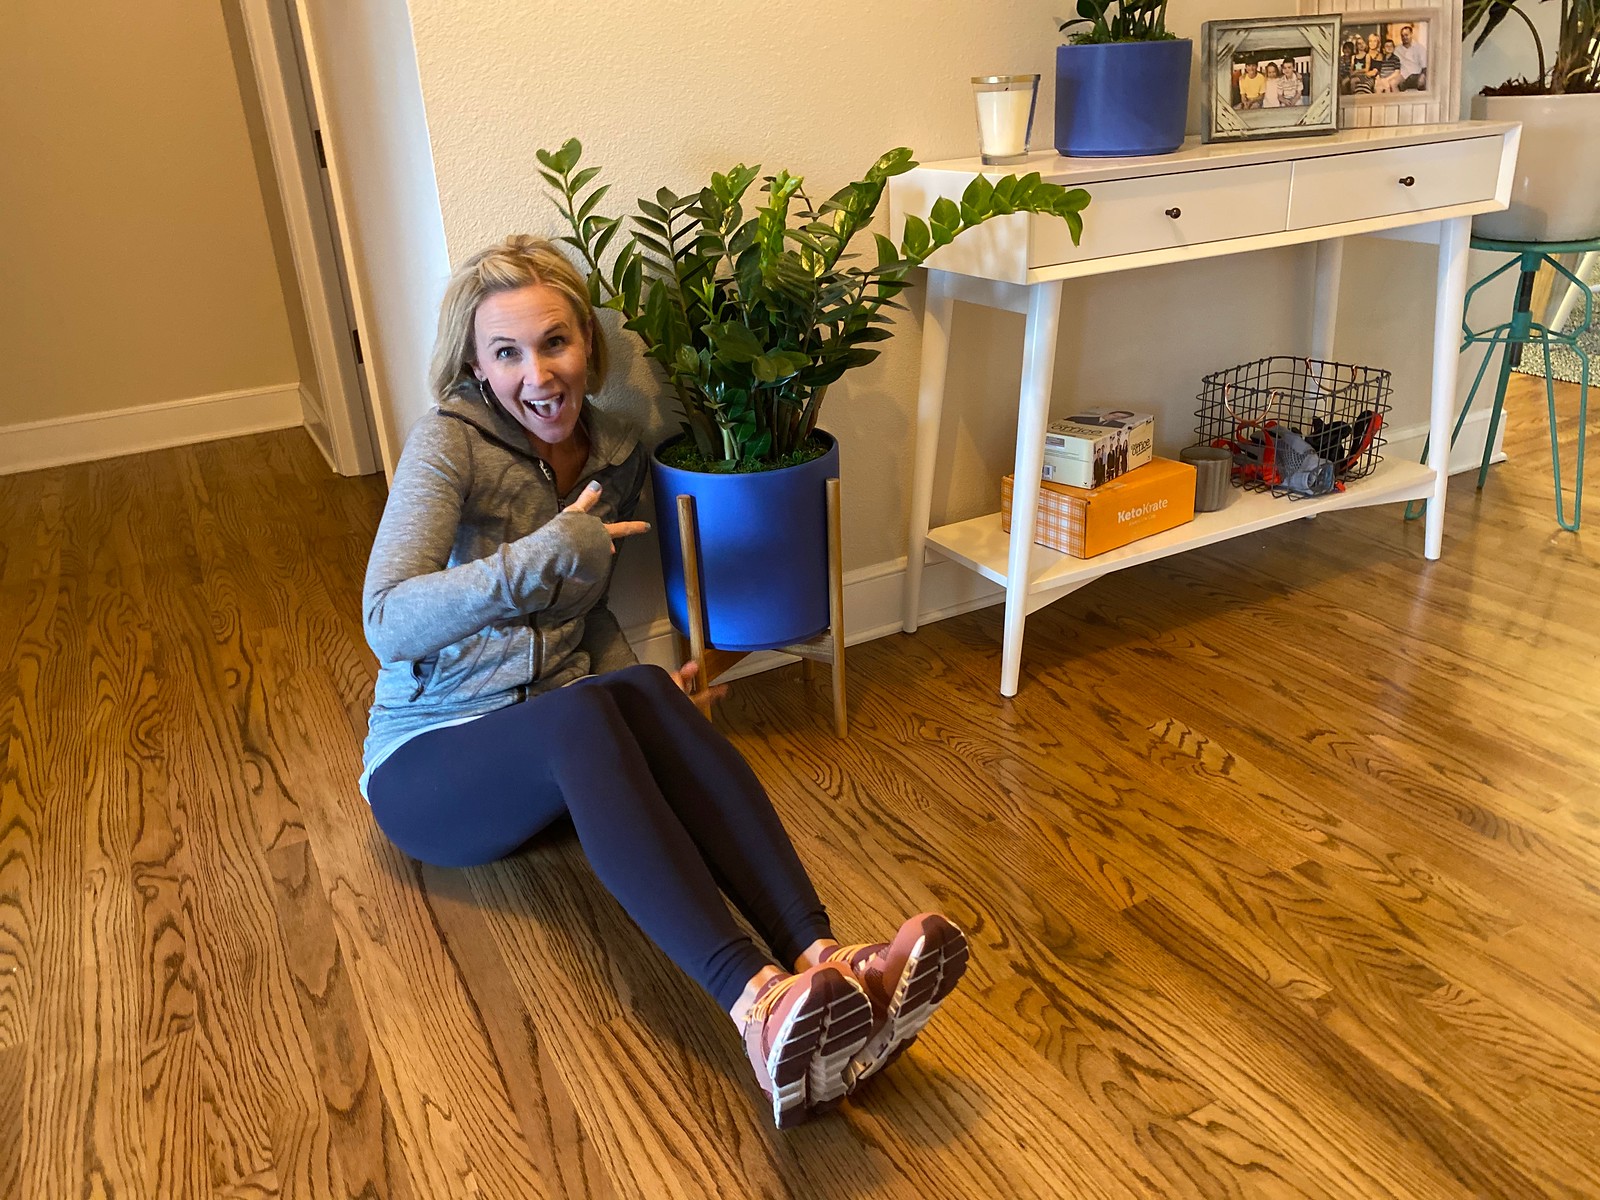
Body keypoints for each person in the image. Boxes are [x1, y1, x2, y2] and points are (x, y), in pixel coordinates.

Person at [358, 234, 969, 1130]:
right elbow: (387, 618)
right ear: (477, 367)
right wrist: (538, 558)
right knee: (580, 717)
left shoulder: (613, 449)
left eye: (555, 342)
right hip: (429, 764)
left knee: (639, 686)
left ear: (588, 346)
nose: (539, 374)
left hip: (548, 753)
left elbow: (586, 618)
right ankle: (756, 1006)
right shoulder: (447, 446)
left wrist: (641, 704)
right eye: (507, 352)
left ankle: (830, 963)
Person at [1395, 24, 1428, 90]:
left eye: (1406, 35)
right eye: (1402, 36)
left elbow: (1425, 66)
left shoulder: (1419, 48)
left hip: (1415, 76)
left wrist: (1423, 76)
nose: (1404, 37)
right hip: (1402, 77)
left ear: (1411, 34)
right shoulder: (1397, 49)